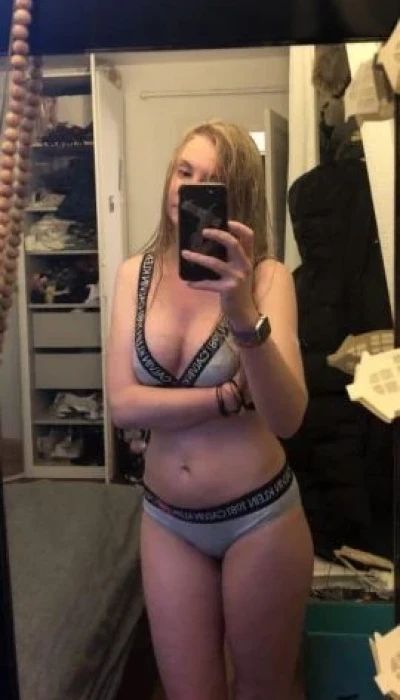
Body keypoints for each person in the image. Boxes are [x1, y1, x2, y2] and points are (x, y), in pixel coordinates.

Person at [106, 119, 314, 700]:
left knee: (262, 690)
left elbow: (286, 418)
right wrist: (225, 398)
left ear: (235, 196)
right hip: (168, 520)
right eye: (184, 171)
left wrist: (241, 310)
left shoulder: (267, 278)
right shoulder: (134, 275)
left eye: (211, 182)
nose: (189, 189)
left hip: (258, 517)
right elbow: (123, 403)